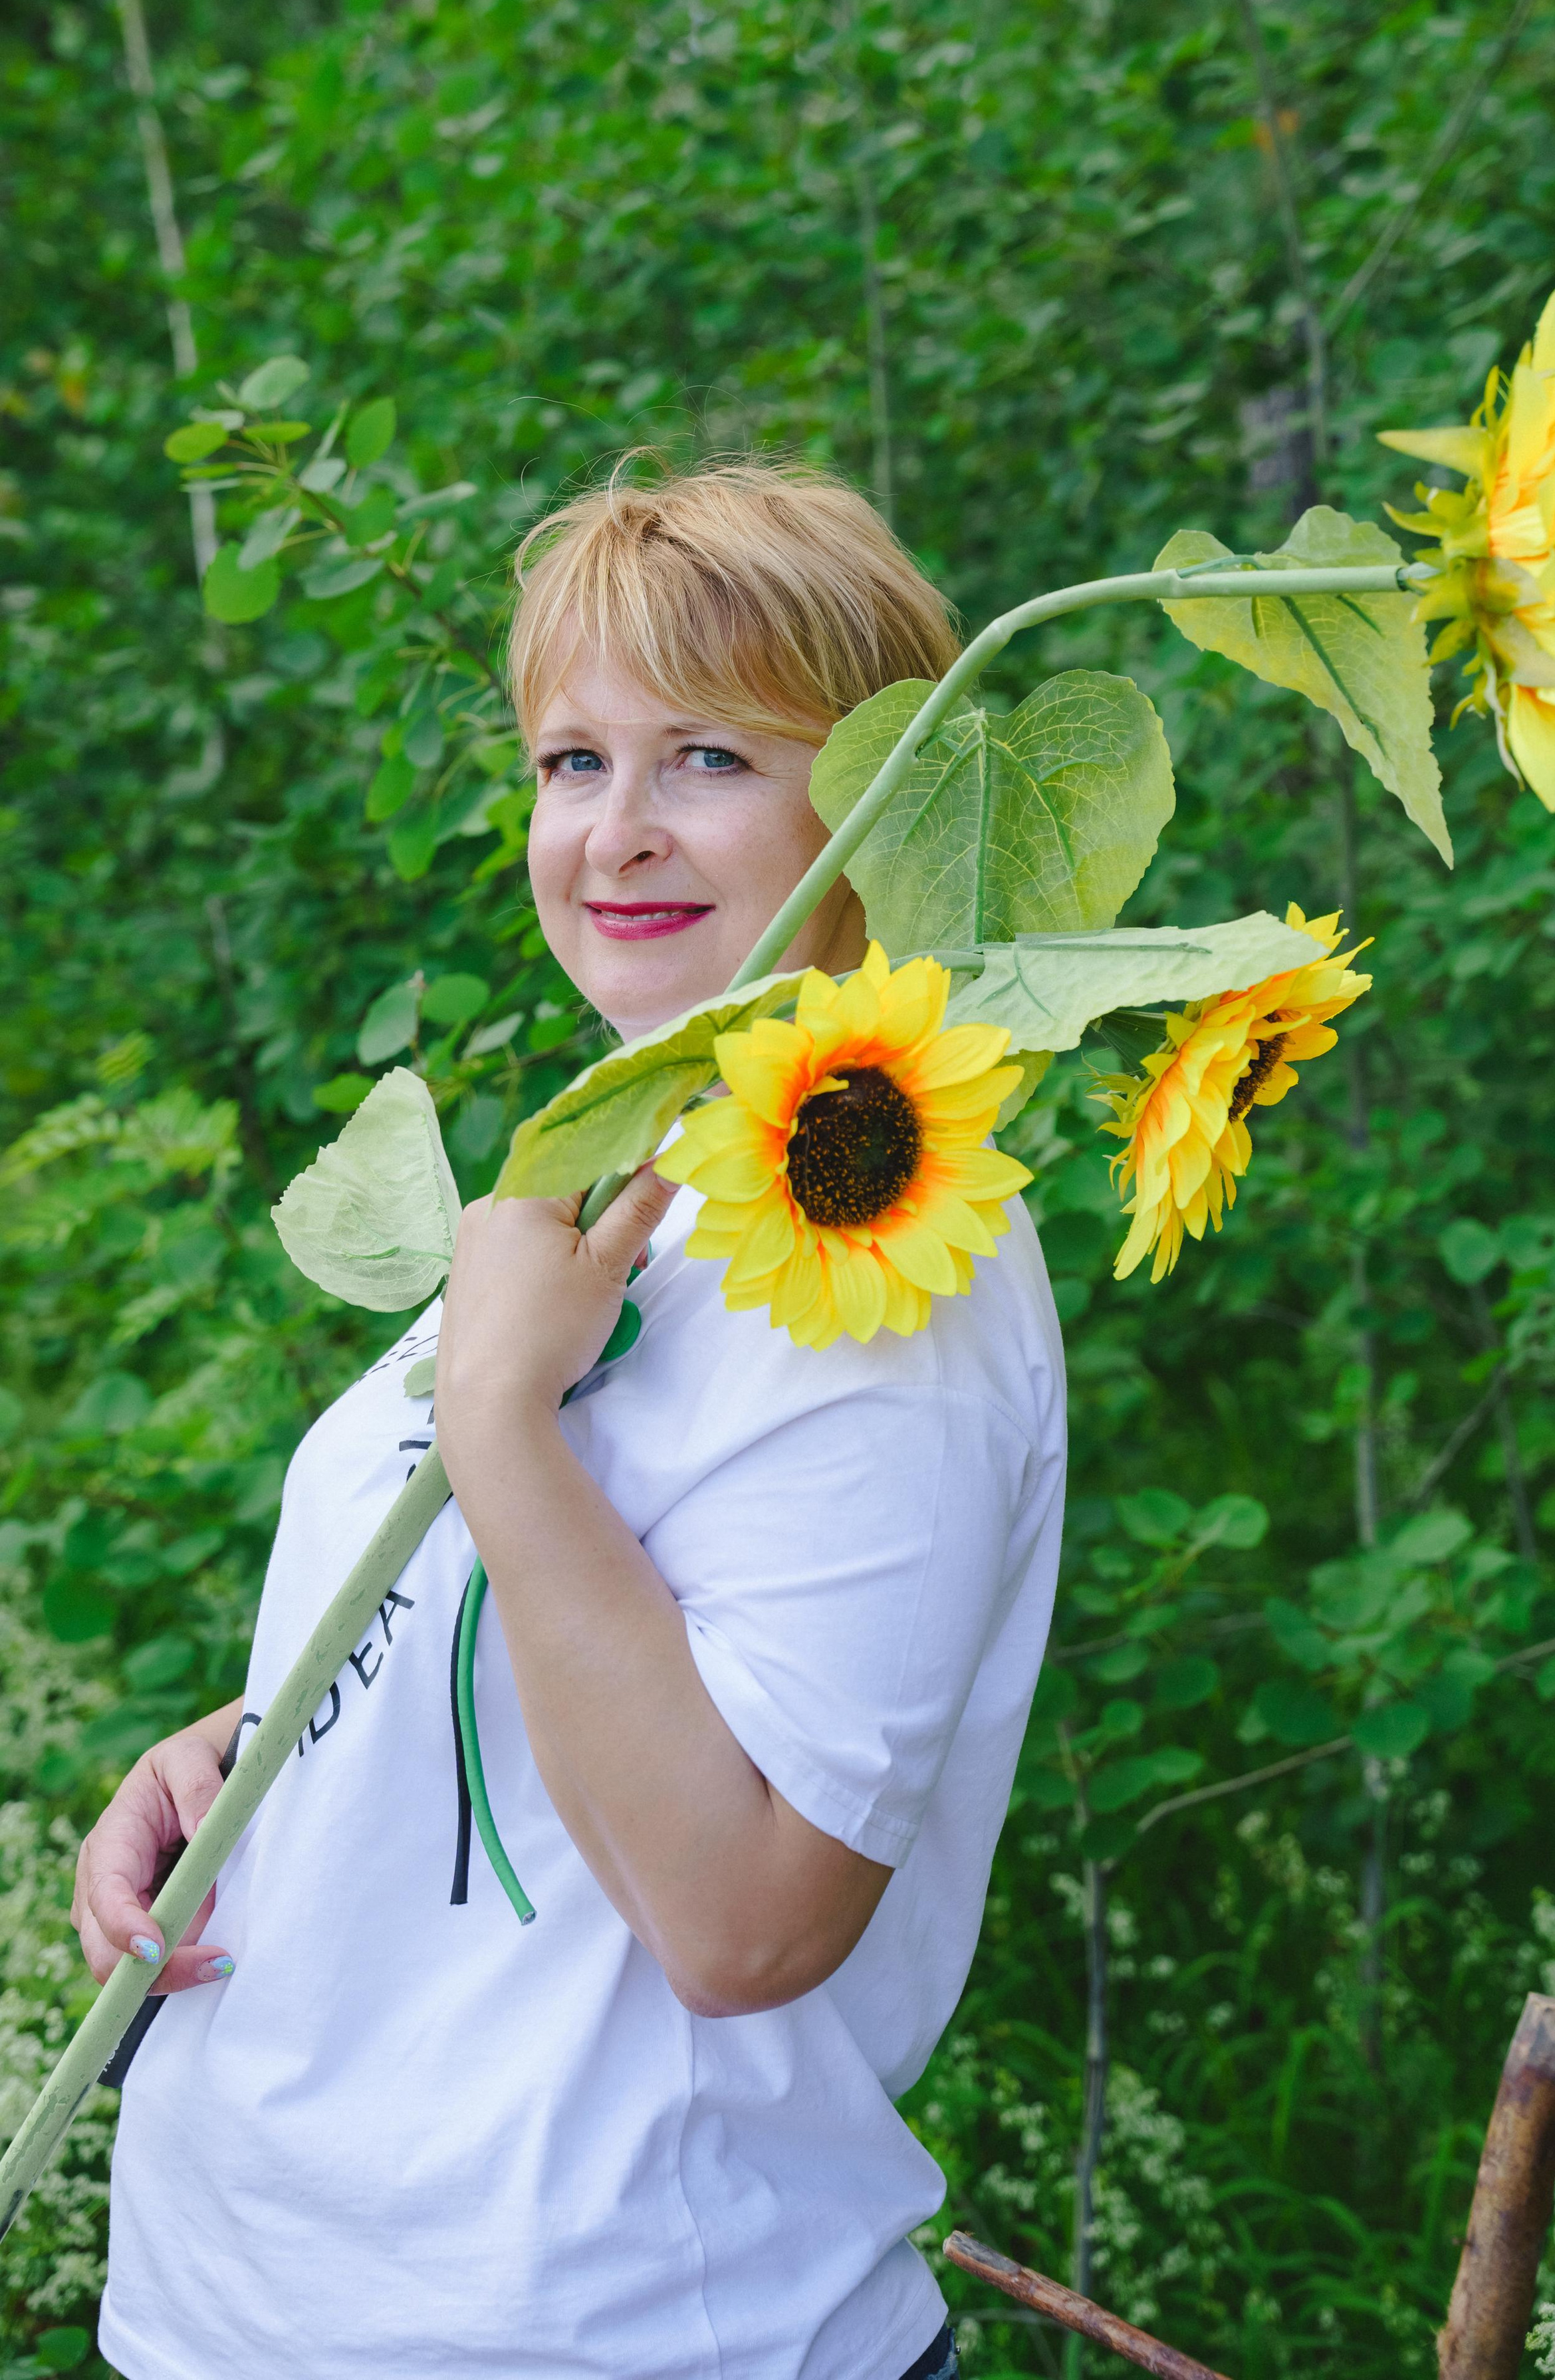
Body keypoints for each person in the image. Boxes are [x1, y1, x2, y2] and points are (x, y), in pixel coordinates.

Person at [76, 461, 1067, 2380]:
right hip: (241, 2303)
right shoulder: (623, 1162)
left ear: (886, 792)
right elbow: (538, 1638)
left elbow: (744, 1919)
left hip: (598, 2324)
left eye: (710, 758)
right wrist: (249, 1757)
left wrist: (506, 1429)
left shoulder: (877, 1242)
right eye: (573, 762)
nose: (617, 832)